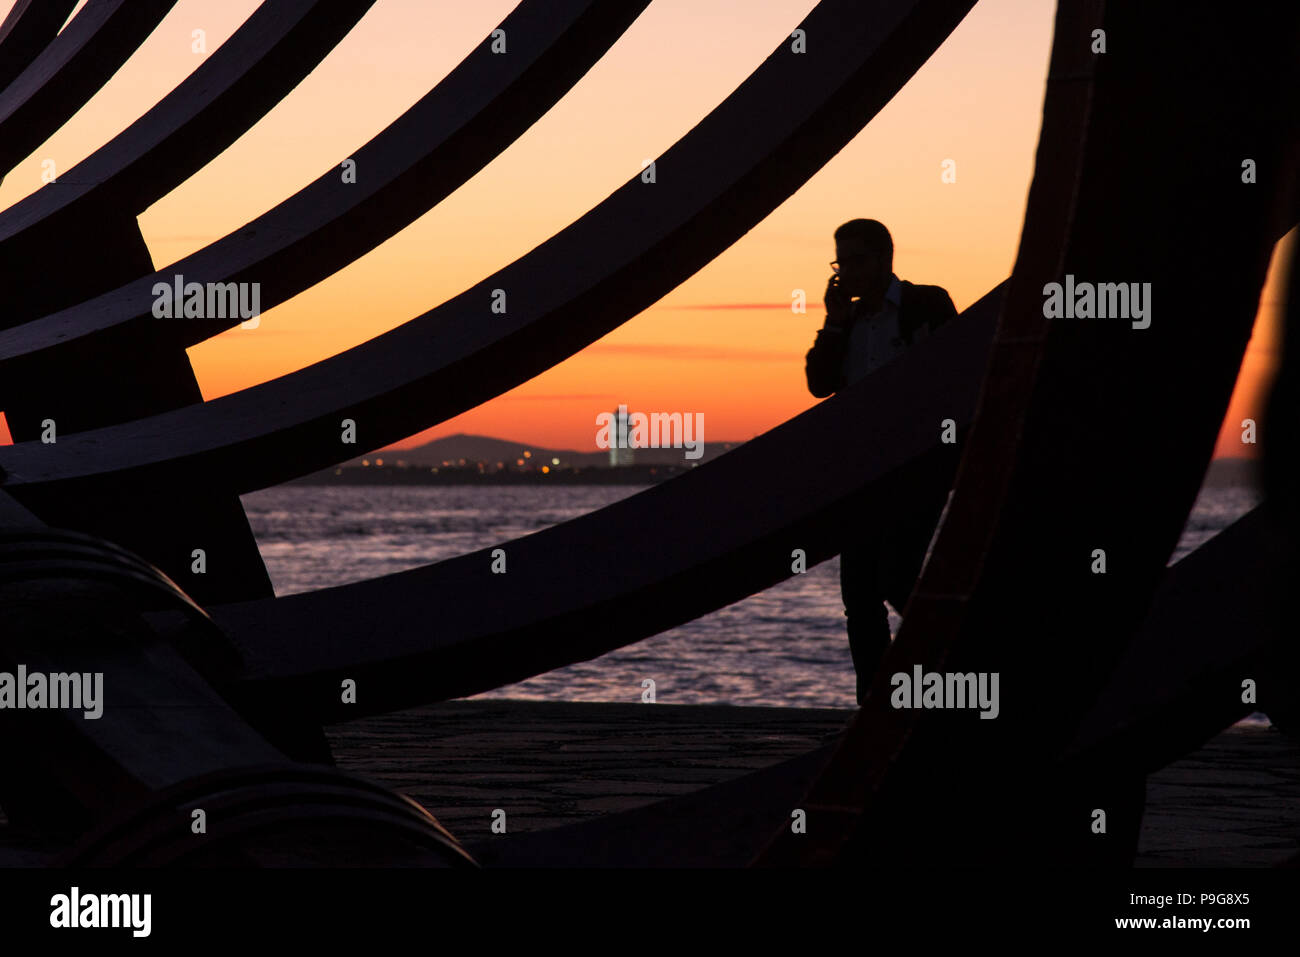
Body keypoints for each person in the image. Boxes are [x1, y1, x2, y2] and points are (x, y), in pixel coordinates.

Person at [804, 219, 958, 705]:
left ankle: (955, 660)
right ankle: (877, 702)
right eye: (840, 261)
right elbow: (820, 383)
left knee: (897, 576)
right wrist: (832, 321)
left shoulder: (926, 303)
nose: (846, 270)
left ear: (884, 258)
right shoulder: (845, 324)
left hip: (918, 465)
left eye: (856, 259)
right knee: (860, 599)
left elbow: (954, 370)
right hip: (861, 472)